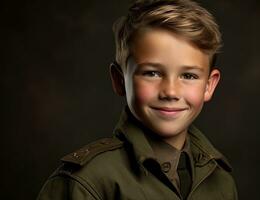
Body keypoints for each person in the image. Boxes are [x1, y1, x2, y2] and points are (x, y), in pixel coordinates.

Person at [37, 0, 238, 199]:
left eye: (188, 76)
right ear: (119, 80)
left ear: (209, 85)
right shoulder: (88, 181)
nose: (170, 92)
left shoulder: (220, 181)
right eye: (152, 73)